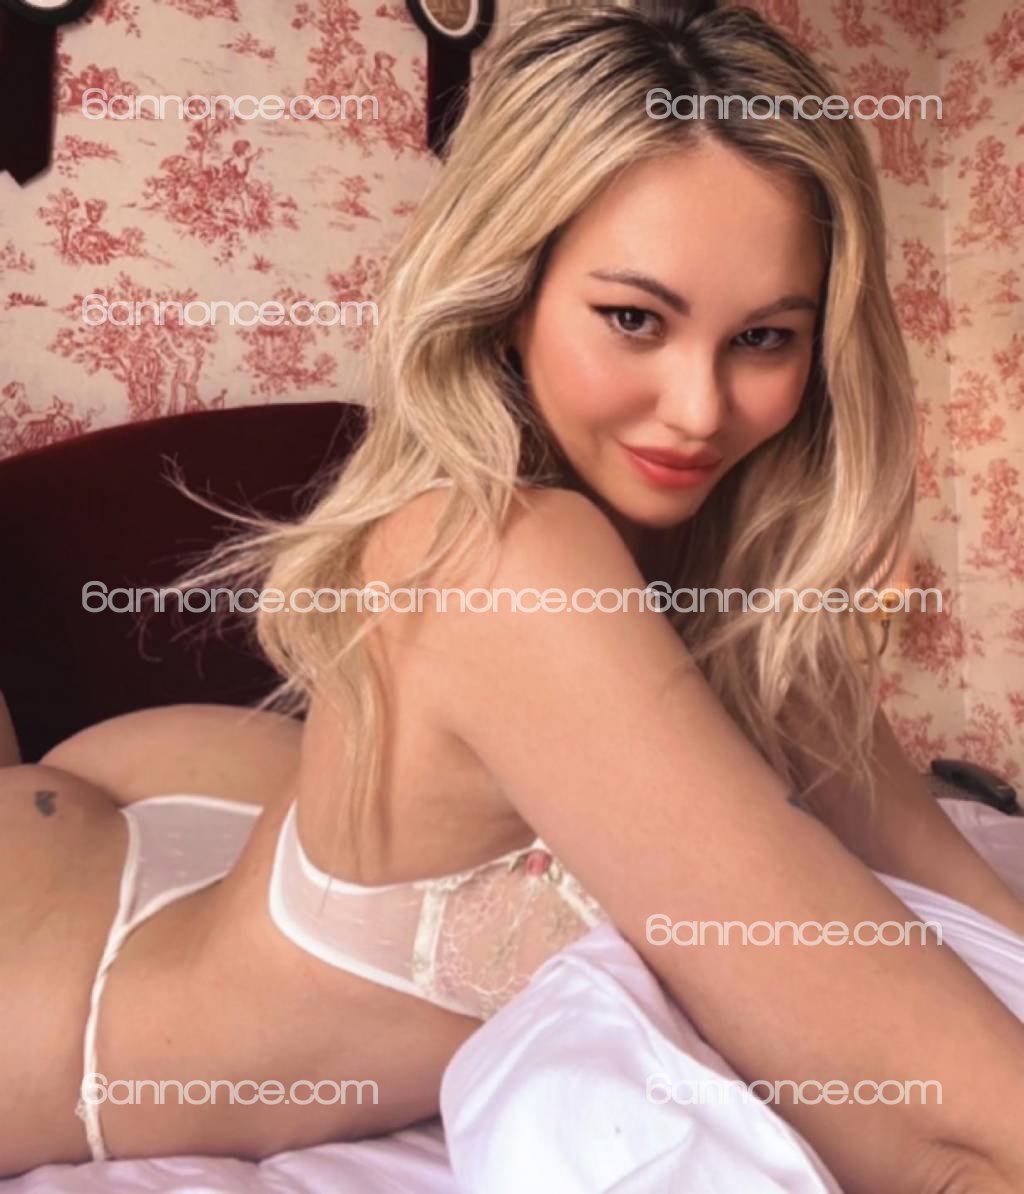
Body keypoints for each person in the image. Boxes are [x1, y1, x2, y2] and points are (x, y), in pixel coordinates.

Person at [2, 1, 1022, 1188]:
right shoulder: (496, 557)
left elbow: (970, 906)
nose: (698, 410)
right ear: (507, 296)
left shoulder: (748, 590)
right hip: (58, 991)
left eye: (763, 338)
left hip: (194, 803)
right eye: (632, 318)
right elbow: (951, 1132)